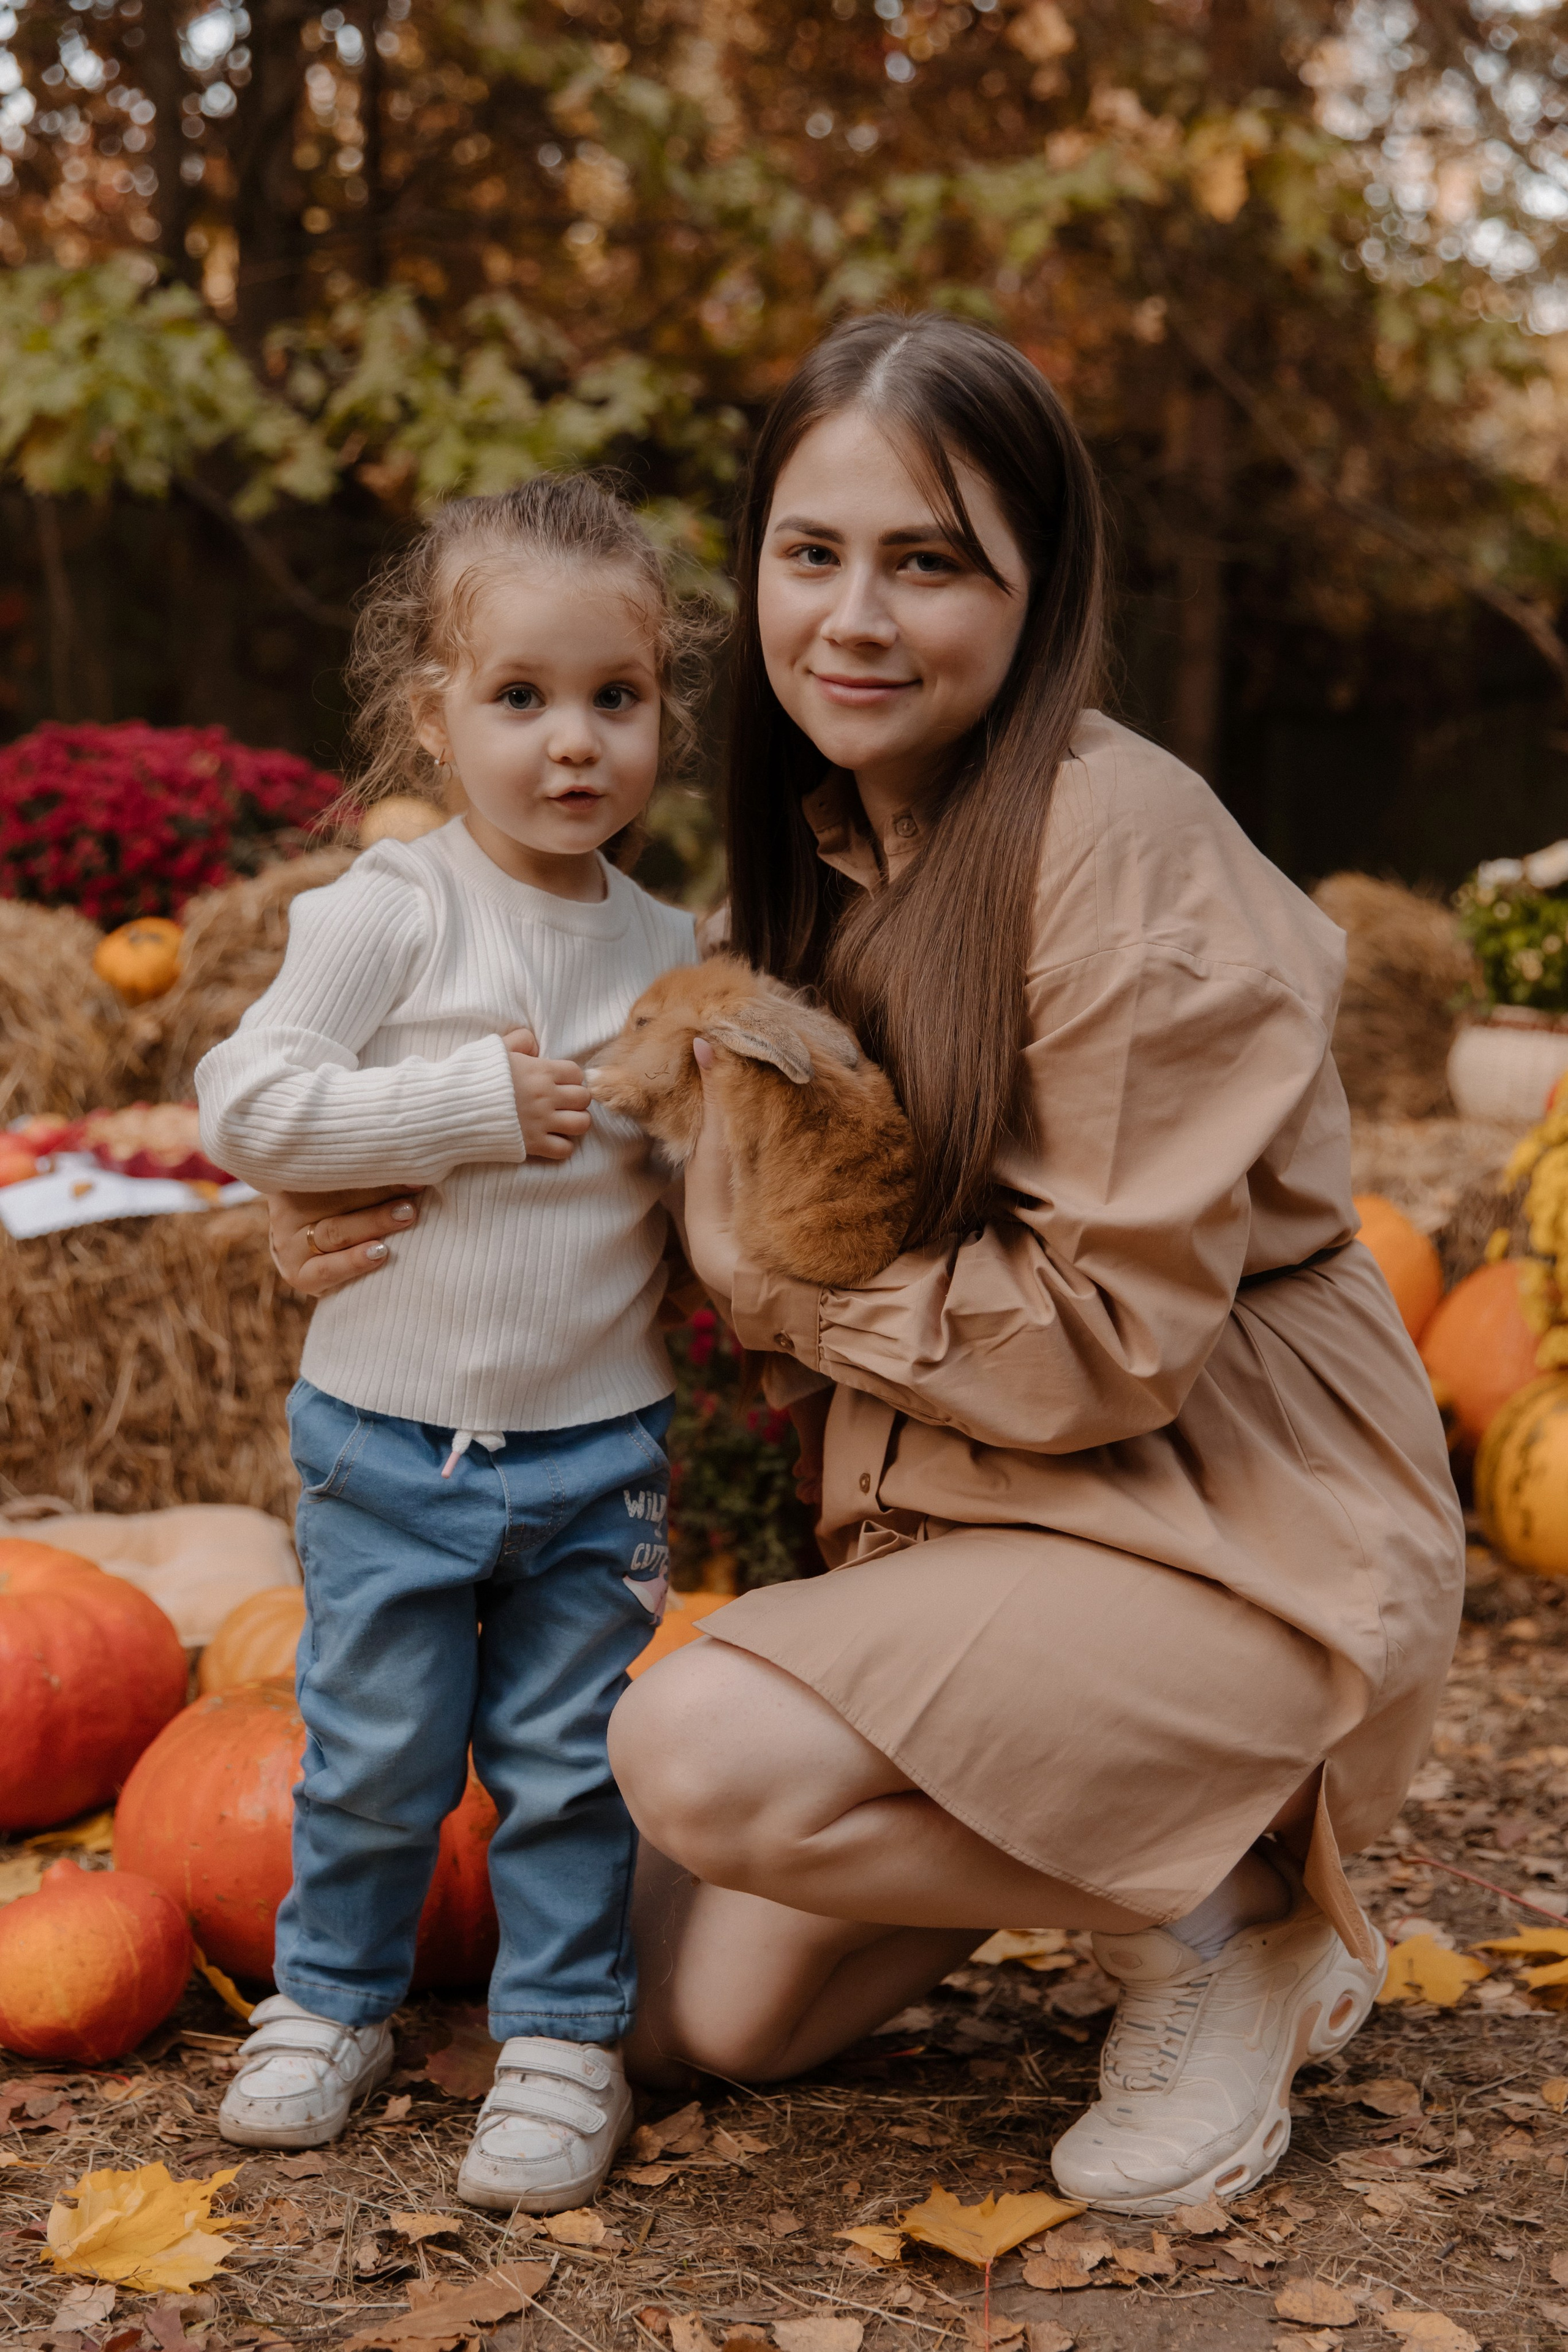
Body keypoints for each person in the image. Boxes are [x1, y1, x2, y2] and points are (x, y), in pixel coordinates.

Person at [266, 312, 1465, 2218]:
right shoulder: (817, 858)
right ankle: (1137, 1871)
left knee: (695, 1747)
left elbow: (1101, 1353)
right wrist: (356, 1195)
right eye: (812, 556)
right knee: (696, 2022)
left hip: (1228, 1519)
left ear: (1039, 583)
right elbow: (631, 1126)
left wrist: (773, 1277)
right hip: (995, 1527)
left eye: (930, 563)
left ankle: (1238, 1921)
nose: (856, 618)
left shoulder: (1118, 844)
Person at [195, 475, 703, 2213]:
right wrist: (468, 1104)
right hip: (389, 1440)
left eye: (614, 700)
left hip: (597, 1447)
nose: (575, 744)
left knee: (572, 1766)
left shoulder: (668, 953)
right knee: (373, 1756)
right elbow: (247, 1104)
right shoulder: (391, 910)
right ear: (435, 717)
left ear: (661, 714)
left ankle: (562, 2036)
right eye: (522, 698)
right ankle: (329, 1998)